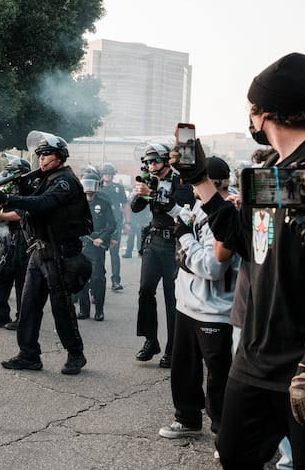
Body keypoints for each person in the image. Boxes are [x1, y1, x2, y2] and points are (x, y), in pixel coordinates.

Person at [174, 53, 305, 469]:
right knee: (234, 457)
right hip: (253, 360)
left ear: (262, 111)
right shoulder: (268, 170)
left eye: (251, 109)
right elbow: (245, 242)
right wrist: (200, 182)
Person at [0, 132, 93, 375]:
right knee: (28, 305)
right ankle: (28, 355)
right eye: (39, 154)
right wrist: (16, 185)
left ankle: (75, 354)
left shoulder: (65, 181)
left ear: (60, 156)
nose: (42, 158)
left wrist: (10, 197)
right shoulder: (44, 179)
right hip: (39, 251)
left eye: (46, 154)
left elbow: (44, 203)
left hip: (60, 254)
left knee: (61, 307)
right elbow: (30, 200)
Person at [158, 157, 236, 444]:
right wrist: (172, 211)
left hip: (214, 311)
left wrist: (186, 239)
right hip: (187, 305)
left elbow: (214, 268)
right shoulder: (200, 205)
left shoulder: (226, 213)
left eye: (193, 182)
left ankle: (222, 433)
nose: (189, 187)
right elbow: (191, 223)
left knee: (219, 375)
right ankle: (187, 419)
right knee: (184, 368)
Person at [131, 143, 194, 368]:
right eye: (147, 162)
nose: (151, 165)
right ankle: (151, 340)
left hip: (175, 244)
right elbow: (135, 207)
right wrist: (141, 191)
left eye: (155, 160)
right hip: (154, 240)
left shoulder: (181, 181)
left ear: (167, 160)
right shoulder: (149, 180)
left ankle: (173, 348)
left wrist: (154, 194)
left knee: (172, 297)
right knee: (145, 289)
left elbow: (182, 208)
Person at [0, 157, 33, 329]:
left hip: (23, 239)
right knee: (2, 277)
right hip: (6, 238)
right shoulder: (7, 189)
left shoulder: (29, 190)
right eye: (9, 171)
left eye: (13, 172)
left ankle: (21, 318)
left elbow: (21, 214)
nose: (9, 175)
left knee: (21, 281)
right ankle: (1, 315)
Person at [78, 169, 116, 321]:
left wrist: (102, 238)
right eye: (86, 184)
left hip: (96, 246)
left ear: (97, 186)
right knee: (81, 279)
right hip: (81, 244)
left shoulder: (103, 201)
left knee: (97, 278)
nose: (88, 188)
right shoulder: (77, 202)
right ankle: (83, 311)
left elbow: (112, 224)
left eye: (91, 184)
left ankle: (99, 310)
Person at [99, 162, 129, 290]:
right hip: (100, 225)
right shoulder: (97, 187)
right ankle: (97, 281)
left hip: (115, 225)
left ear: (113, 175)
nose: (107, 176)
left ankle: (115, 281)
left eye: (109, 173)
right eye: (105, 173)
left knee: (114, 254)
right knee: (98, 255)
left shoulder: (118, 188)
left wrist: (127, 223)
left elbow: (126, 205)